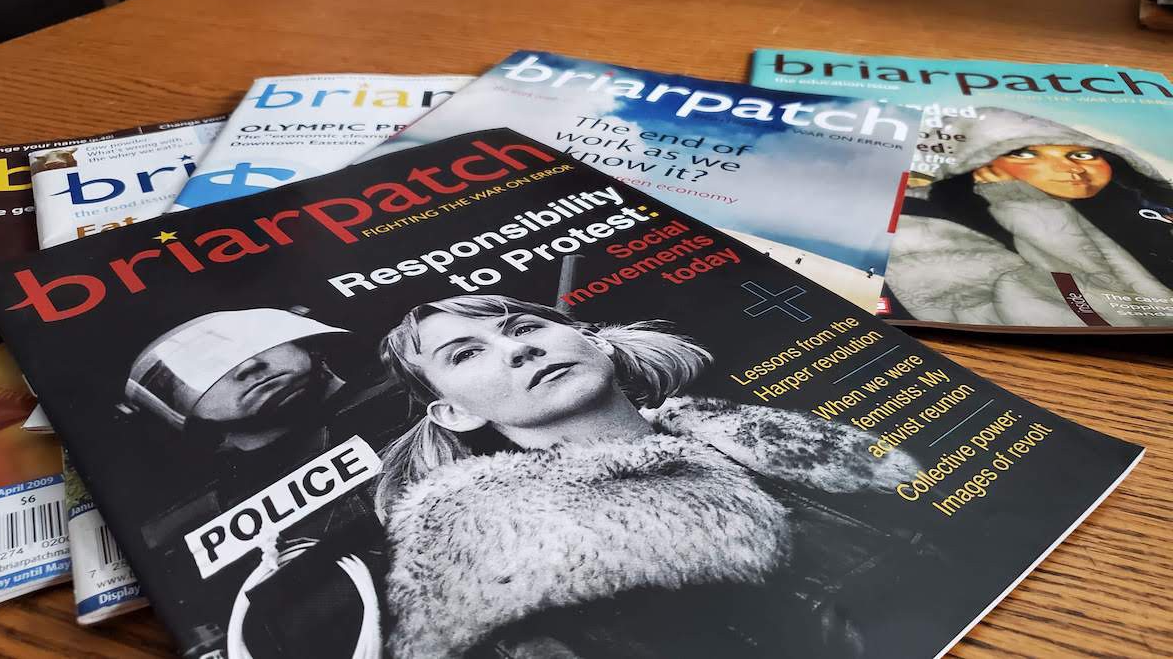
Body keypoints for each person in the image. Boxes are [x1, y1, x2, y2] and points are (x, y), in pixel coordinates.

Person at [373, 294, 927, 658]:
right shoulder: (514, 561)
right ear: (455, 413)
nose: (519, 347)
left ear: (595, 340)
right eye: (467, 354)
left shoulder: (786, 441)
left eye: (525, 326)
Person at [122, 307, 402, 659]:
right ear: (176, 405)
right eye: (207, 366)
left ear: (306, 343)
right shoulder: (183, 530)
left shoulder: (419, 393)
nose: (246, 365)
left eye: (261, 340)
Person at [887, 107, 1173, 326]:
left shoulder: (1139, 208)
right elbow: (1072, 314)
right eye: (1024, 155)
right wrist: (1024, 206)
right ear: (977, 162)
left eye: (1083, 154)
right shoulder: (922, 229)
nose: (1070, 168)